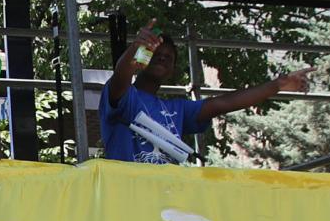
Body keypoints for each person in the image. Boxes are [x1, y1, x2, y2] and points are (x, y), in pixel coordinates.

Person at [98, 21, 307, 164]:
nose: (162, 58)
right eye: (156, 53)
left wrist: (277, 85)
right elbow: (120, 76)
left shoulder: (177, 109)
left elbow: (223, 104)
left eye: (169, 57)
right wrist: (135, 48)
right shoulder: (125, 95)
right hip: (125, 197)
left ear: (172, 70)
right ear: (142, 58)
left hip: (165, 199)